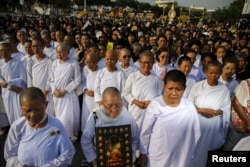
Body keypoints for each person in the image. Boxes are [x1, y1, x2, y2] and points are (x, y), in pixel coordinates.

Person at [139, 70, 201, 167]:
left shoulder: (189, 107)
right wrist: (143, 152)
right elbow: (145, 132)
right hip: (157, 156)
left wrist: (188, 152)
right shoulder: (155, 105)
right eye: (170, 88)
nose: (174, 93)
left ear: (185, 88)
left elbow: (196, 133)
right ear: (164, 86)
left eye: (178, 89)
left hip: (181, 156)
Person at [4, 87, 75, 166]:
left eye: (37, 109)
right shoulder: (17, 126)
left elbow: (67, 153)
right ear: (21, 109)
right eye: (28, 110)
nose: (33, 114)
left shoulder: (56, 126)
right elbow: (10, 155)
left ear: (46, 105)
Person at [81, 87, 140, 167]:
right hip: (100, 160)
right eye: (110, 106)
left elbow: (134, 139)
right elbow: (86, 140)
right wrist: (94, 161)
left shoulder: (127, 116)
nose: (114, 109)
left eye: (117, 105)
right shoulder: (95, 116)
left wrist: (130, 159)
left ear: (121, 102)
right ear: (103, 103)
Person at [188, 60, 231, 167]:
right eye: (211, 72)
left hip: (213, 127)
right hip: (197, 123)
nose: (213, 75)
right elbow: (188, 105)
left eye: (216, 73)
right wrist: (201, 110)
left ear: (220, 73)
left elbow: (226, 110)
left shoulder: (224, 89)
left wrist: (219, 112)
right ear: (205, 72)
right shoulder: (197, 86)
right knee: (193, 151)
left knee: (207, 154)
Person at [122, 50, 163, 129]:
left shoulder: (156, 79)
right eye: (144, 62)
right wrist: (136, 102)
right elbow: (126, 93)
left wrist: (151, 102)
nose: (147, 65)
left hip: (150, 112)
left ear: (153, 63)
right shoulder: (133, 76)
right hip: (135, 112)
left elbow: (159, 96)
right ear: (140, 62)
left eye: (149, 62)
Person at [49, 42, 81, 142]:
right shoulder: (54, 63)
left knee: (69, 118)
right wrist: (54, 90)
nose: (60, 54)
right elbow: (51, 79)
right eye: (58, 52)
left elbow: (77, 80)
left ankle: (71, 135)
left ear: (68, 52)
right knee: (58, 116)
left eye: (62, 52)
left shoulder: (73, 63)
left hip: (68, 95)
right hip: (57, 95)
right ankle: (61, 135)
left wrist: (65, 90)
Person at [0, 42, 27, 124]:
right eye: (1, 51)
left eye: (6, 51)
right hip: (6, 92)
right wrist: (2, 82)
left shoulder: (18, 62)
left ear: (11, 51)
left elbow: (23, 78)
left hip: (17, 91)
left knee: (19, 112)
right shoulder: (0, 63)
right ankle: (14, 130)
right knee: (10, 113)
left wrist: (9, 82)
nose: (3, 53)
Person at [223, 78, 250, 150]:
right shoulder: (246, 83)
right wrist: (247, 121)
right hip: (241, 122)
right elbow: (236, 103)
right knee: (232, 144)